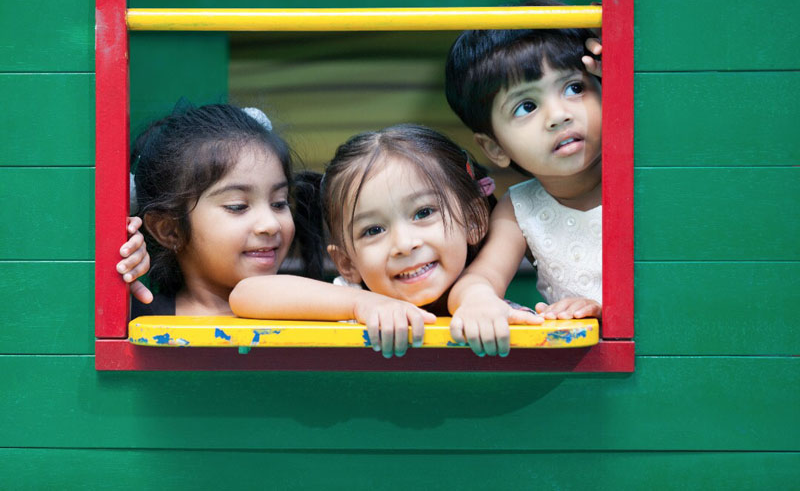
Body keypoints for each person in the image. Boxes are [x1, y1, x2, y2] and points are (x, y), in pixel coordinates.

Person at [229, 124, 541, 356]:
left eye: (423, 213)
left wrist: (480, 302)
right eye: (374, 230)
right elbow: (247, 293)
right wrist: (363, 304)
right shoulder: (356, 302)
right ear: (347, 264)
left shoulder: (488, 306)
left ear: (473, 221)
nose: (404, 244)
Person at [443, 0, 604, 357]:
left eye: (574, 88)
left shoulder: (648, 169)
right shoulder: (520, 208)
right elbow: (480, 278)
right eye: (526, 106)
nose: (558, 115)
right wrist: (479, 300)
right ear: (495, 148)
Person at [116, 103, 323, 316]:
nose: (271, 224)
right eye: (238, 206)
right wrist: (115, 275)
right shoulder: (136, 321)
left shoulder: (320, 310)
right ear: (169, 230)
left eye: (279, 203)